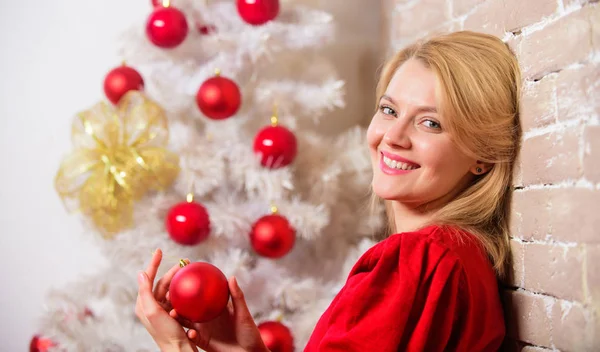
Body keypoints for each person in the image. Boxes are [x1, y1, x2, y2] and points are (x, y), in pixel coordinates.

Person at [135, 30, 522, 352]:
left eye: (431, 123)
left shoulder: (415, 260)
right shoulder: (463, 256)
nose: (393, 137)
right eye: (389, 110)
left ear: (481, 156)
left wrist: (176, 348)